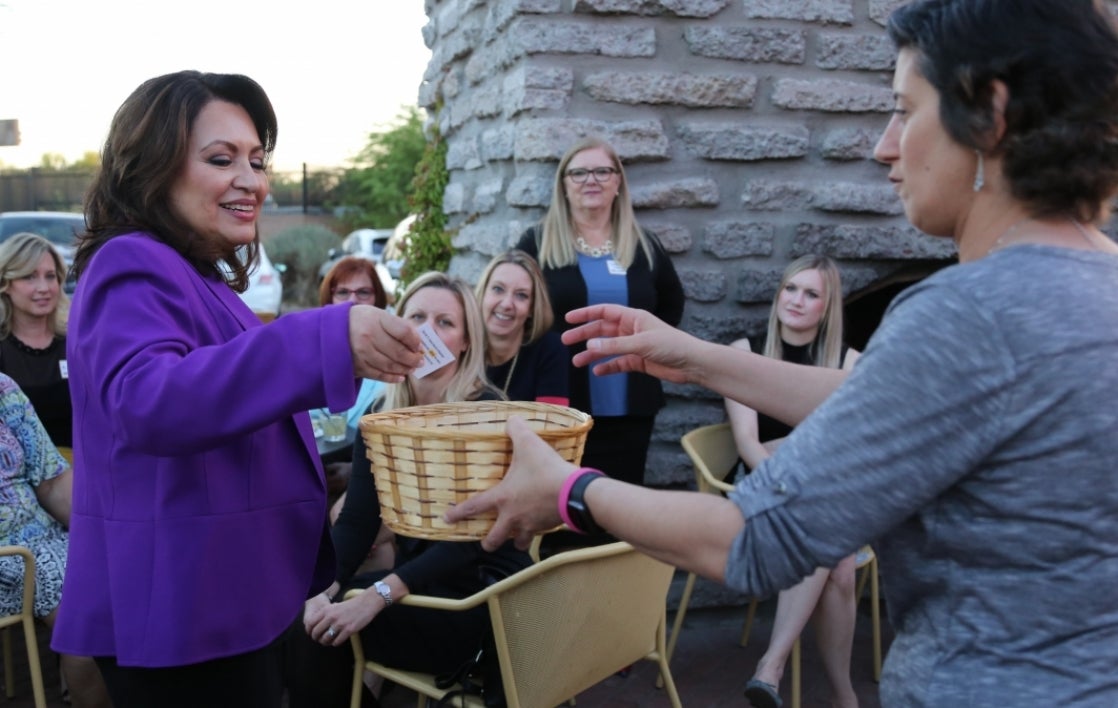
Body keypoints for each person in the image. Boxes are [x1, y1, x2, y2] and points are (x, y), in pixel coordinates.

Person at [446, 1, 1118, 705]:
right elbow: (896, 404)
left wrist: (564, 489)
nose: (885, 146)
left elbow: (755, 540)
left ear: (990, 115)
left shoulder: (968, 311)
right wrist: (698, 358)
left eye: (904, 109)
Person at [50, 70, 423, 708]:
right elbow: (150, 403)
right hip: (179, 613)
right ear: (152, 168)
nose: (251, 179)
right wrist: (322, 341)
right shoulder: (130, 261)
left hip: (221, 600)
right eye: (222, 159)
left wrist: (346, 354)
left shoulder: (198, 276)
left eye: (257, 160)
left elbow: (229, 395)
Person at [286, 273, 528, 708]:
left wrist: (377, 595)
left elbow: (470, 541)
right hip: (419, 584)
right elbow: (359, 520)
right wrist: (323, 589)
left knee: (327, 639)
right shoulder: (382, 415)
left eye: (445, 322)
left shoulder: (484, 416)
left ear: (466, 341)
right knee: (306, 619)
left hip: (482, 599)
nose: (427, 331)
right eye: (416, 317)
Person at [725, 255, 861, 708]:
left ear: (828, 307)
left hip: (827, 490)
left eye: (811, 293)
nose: (797, 301)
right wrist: (789, 483)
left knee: (840, 562)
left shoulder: (849, 363)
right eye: (791, 289)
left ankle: (772, 668)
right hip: (764, 484)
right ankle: (841, 695)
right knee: (829, 540)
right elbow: (747, 443)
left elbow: (848, 447)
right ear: (779, 293)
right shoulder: (744, 354)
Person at [515, 137, 684, 488]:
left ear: (618, 182)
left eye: (602, 171)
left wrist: (642, 348)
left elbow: (671, 305)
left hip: (631, 401)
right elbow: (519, 314)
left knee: (623, 501)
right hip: (561, 400)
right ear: (563, 186)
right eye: (578, 173)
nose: (591, 180)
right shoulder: (537, 243)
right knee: (563, 501)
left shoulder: (644, 246)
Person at [0, 373, 110, 707]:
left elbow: (52, 480)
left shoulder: (3, 388)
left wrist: (104, 540)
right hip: (11, 552)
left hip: (38, 540)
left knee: (105, 606)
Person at [314, 256, 391, 488]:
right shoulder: (307, 355)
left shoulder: (394, 360)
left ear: (378, 299)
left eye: (363, 292)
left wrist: (356, 472)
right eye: (343, 292)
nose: (352, 301)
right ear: (329, 300)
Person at [0, 232, 72, 449]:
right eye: (29, 276)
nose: (44, 288)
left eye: (50, 276)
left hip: (78, 473)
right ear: (5, 284)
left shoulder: (76, 343)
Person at [475, 249, 569, 405]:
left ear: (532, 308)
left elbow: (552, 426)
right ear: (483, 293)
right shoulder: (460, 343)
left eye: (521, 295)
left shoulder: (550, 349)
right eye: (498, 289)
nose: (506, 304)